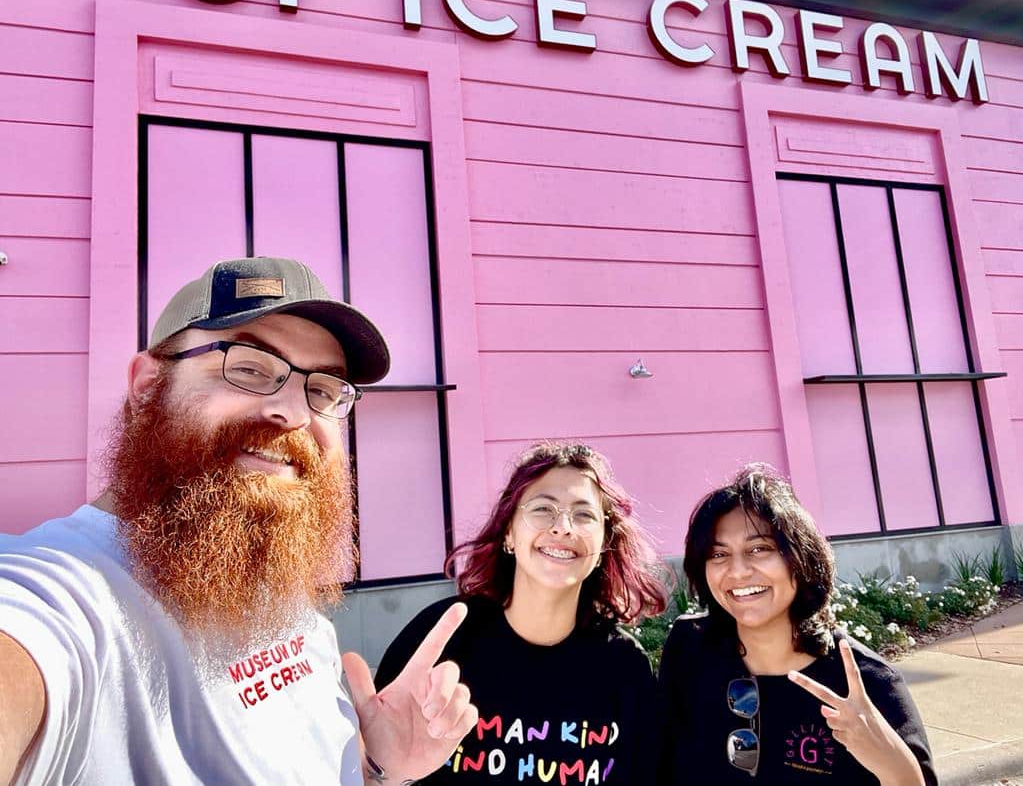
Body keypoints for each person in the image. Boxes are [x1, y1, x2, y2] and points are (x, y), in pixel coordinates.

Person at [0, 257, 478, 785]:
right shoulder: (58, 600)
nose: (295, 413)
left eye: (322, 390)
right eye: (249, 367)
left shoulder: (259, 578)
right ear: (146, 386)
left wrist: (381, 768)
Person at [375, 441, 669, 784]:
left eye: (584, 514)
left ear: (604, 544)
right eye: (543, 509)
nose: (563, 527)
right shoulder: (441, 639)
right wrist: (386, 771)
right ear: (509, 533)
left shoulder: (623, 667)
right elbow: (374, 765)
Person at [659, 465, 937, 785]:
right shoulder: (690, 649)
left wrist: (894, 765)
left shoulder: (866, 684)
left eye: (759, 549)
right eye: (718, 554)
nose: (737, 572)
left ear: (801, 558)